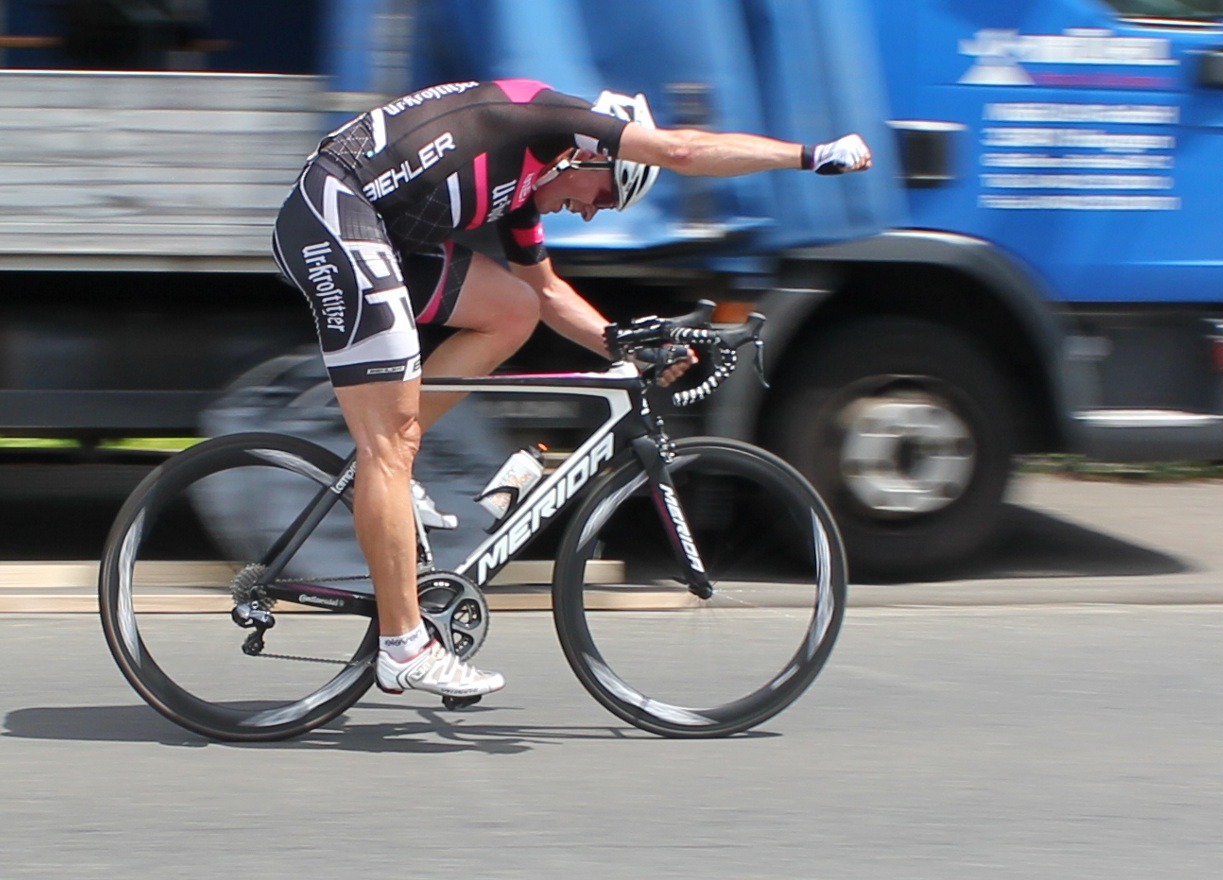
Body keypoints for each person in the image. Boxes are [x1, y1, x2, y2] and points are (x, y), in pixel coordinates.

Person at [271, 79, 871, 699]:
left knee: (512, 308)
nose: (589, 211)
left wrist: (626, 347)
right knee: (387, 446)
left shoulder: (524, 190)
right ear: (592, 153)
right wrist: (808, 155)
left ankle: (394, 475)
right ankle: (403, 646)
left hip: (376, 231)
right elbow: (685, 152)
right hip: (333, 212)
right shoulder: (546, 117)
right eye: (604, 195)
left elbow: (550, 295)